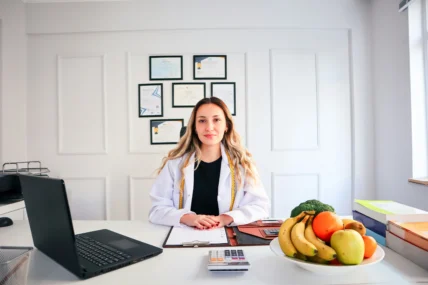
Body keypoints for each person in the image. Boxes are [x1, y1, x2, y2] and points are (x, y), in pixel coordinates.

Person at [148, 97, 270, 229]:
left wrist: (225, 218)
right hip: (184, 234)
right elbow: (157, 210)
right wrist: (188, 218)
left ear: (226, 126)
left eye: (216, 120)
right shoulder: (174, 165)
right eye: (202, 121)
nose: (209, 127)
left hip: (227, 233)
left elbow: (260, 206)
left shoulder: (242, 164)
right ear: (194, 127)